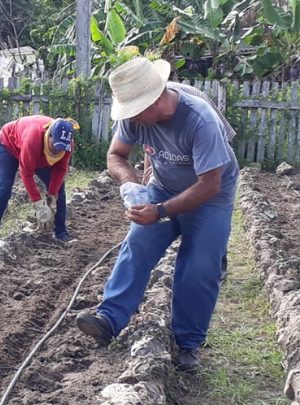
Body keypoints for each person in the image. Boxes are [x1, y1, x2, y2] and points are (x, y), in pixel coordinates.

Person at [75, 58, 239, 372]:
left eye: (136, 110)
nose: (131, 118)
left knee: (198, 266)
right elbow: (116, 155)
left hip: (210, 196)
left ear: (157, 99)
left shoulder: (199, 120)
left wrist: (161, 211)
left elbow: (209, 184)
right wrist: (130, 182)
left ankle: (188, 344)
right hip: (163, 186)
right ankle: (109, 319)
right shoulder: (136, 117)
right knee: (139, 242)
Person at [144, 81, 237, 284]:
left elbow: (215, 149)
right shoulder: (149, 105)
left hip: (211, 147)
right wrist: (151, 168)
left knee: (209, 224)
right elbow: (151, 140)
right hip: (181, 154)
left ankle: (218, 262)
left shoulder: (194, 105)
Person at [0, 115, 78, 246]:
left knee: (60, 190)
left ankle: (60, 233)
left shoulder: (67, 144)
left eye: (62, 147)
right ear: (49, 135)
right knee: (3, 190)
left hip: (38, 155)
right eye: (56, 145)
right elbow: (26, 173)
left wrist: (51, 196)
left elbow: (61, 169)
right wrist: (39, 204)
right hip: (7, 146)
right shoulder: (33, 139)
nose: (58, 150)